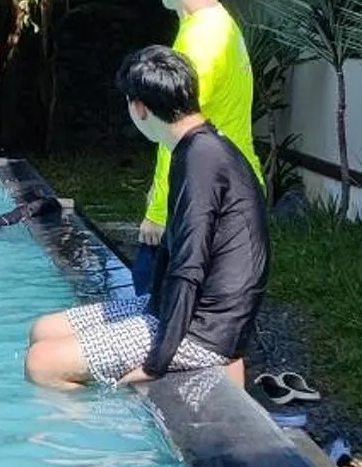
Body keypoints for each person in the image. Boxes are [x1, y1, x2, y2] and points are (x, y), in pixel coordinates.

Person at [24, 46, 269, 391]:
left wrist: (156, 363)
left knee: (41, 364)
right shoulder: (200, 147)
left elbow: (189, 266)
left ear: (139, 107)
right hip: (175, 309)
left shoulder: (200, 161)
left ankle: (109, 430)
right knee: (43, 330)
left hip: (200, 331)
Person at [131, 0, 261, 296]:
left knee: (158, 310)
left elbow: (174, 130)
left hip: (205, 193)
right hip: (233, 184)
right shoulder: (221, 24)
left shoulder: (197, 43)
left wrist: (157, 212)